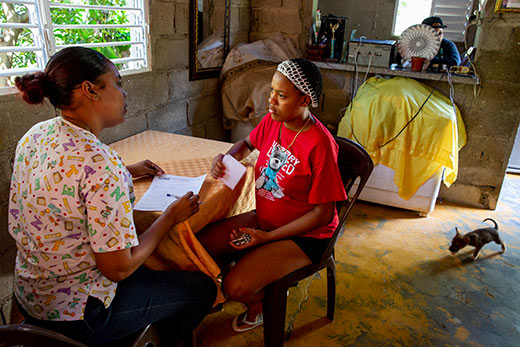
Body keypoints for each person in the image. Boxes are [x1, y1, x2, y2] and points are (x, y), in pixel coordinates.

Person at [8, 47, 217, 345]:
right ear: (90, 90)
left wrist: (126, 169)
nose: (124, 93)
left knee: (153, 267)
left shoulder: (36, 135)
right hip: (78, 314)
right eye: (117, 83)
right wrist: (171, 215)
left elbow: (63, 181)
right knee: (201, 289)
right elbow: (119, 268)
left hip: (30, 295)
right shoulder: (100, 164)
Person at [197, 58, 347, 332]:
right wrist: (226, 158)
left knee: (235, 286)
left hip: (305, 237)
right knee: (199, 245)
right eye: (271, 91)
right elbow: (245, 143)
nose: (271, 101)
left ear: (304, 100)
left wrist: (265, 238)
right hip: (265, 220)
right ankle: (256, 270)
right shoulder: (273, 121)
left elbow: (323, 214)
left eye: (281, 95)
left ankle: (260, 306)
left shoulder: (320, 145)